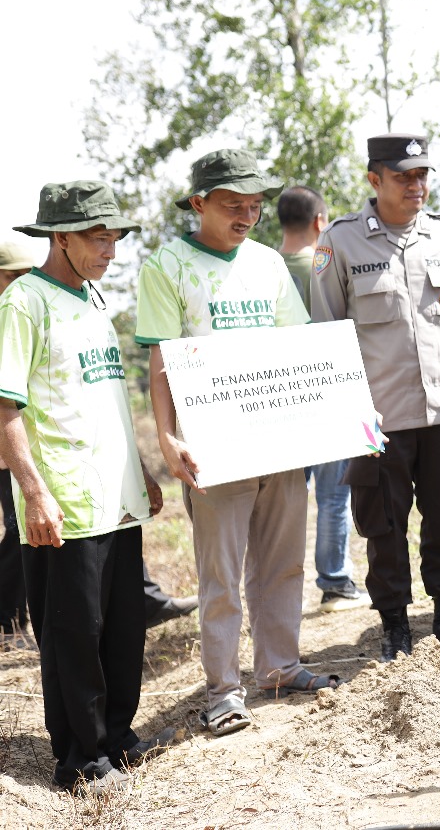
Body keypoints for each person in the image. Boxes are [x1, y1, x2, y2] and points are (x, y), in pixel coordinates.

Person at [137, 149, 329, 739]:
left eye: (254, 204)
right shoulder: (167, 265)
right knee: (219, 571)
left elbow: (298, 348)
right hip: (213, 445)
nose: (247, 214)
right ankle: (223, 690)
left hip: (278, 438)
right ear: (199, 203)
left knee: (283, 560)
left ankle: (279, 665)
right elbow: (162, 359)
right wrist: (168, 437)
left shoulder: (268, 264)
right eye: (232, 204)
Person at [312, 134, 440, 659]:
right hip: (375, 419)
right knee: (384, 525)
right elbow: (325, 332)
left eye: (422, 175)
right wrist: (343, 411)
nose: (416, 185)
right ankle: (395, 625)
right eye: (404, 176)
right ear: (374, 180)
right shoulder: (341, 243)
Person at [1, 181, 169, 793]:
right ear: (60, 236)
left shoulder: (95, 297)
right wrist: (35, 493)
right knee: (74, 636)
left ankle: (118, 739)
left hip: (116, 496)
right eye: (98, 238)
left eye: (115, 238)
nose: (111, 250)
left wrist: (142, 471)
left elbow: (107, 399)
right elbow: (5, 407)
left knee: (123, 628)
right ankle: (79, 759)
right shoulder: (25, 302)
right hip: (65, 503)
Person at [277, 185, 371, 612]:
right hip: (328, 394)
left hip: (277, 401)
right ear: (320, 222)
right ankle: (335, 584)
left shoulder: (265, 268)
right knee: (334, 496)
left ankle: (280, 586)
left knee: (285, 499)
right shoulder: (325, 263)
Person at [0, 240, 36, 650]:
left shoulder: (22, 313)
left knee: (19, 532)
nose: (19, 285)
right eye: (11, 276)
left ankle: (16, 624)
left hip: (19, 449)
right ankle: (10, 626)